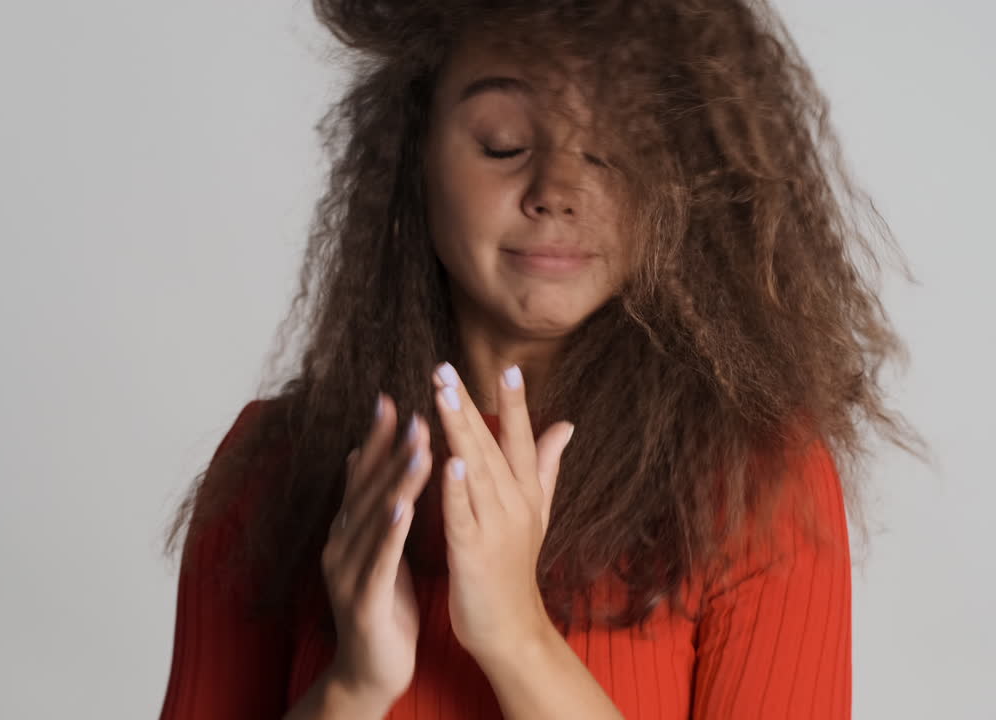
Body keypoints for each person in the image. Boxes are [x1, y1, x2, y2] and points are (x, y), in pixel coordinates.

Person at [159, 1, 927, 718]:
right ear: (411, 154)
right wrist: (354, 687)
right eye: (504, 143)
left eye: (612, 148)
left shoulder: (756, 482)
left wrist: (518, 640)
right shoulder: (273, 470)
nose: (557, 190)